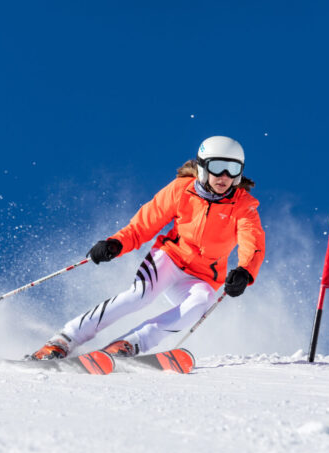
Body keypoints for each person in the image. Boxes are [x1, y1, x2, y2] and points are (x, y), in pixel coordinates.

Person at [30, 135, 266, 360]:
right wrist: (116, 243)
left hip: (203, 276)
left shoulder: (243, 206)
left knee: (201, 303)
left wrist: (245, 271)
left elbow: (252, 242)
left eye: (232, 169)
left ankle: (130, 344)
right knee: (139, 295)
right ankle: (65, 338)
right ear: (203, 167)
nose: (224, 176)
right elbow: (145, 223)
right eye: (217, 167)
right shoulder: (181, 190)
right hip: (170, 258)